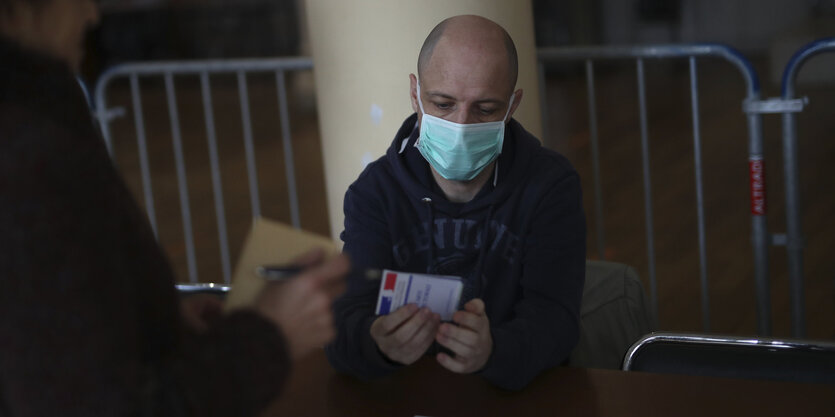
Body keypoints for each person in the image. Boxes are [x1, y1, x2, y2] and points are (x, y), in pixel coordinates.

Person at [0, 0, 347, 415]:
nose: (92, 16)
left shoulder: (38, 129)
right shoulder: (27, 158)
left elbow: (51, 326)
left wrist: (157, 317)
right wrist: (270, 334)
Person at [325, 15, 586, 390]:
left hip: (516, 399)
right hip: (407, 393)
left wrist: (494, 350)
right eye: (444, 103)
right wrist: (376, 342)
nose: (461, 126)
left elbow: (557, 321)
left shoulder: (549, 187)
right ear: (415, 95)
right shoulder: (375, 193)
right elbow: (343, 322)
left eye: (485, 109)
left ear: (512, 106)